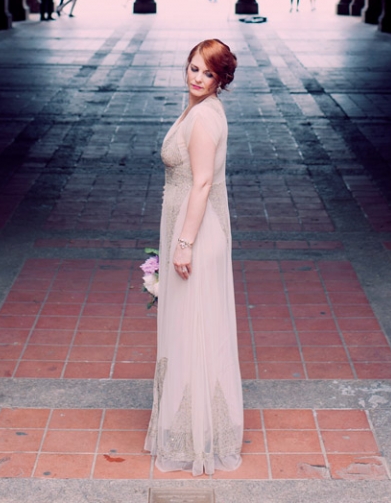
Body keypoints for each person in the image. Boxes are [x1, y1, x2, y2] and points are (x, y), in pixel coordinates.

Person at [145, 39, 243, 476]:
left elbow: (201, 184)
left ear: (220, 79)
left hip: (196, 234)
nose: (196, 77)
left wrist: (183, 243)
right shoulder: (200, 110)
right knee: (196, 327)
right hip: (192, 228)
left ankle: (198, 437)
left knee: (194, 330)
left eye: (206, 72)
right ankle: (192, 425)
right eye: (192, 68)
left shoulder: (203, 117)